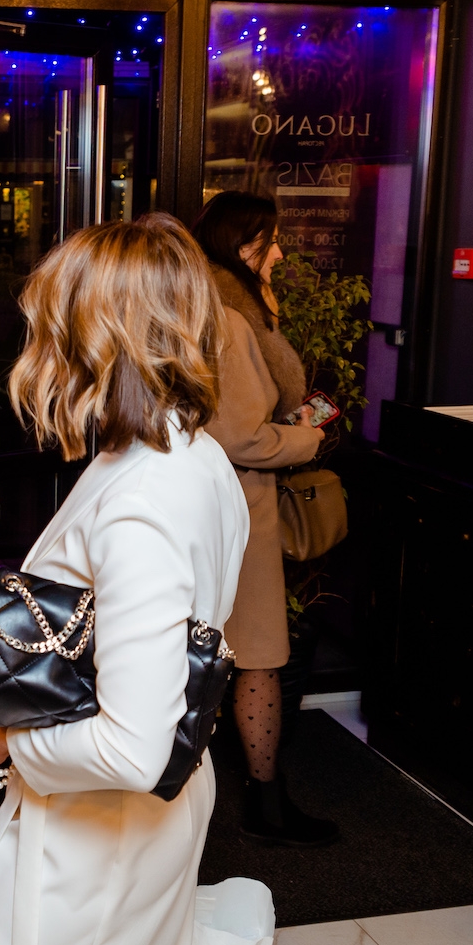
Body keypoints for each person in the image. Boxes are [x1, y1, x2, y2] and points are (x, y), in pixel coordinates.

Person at [0, 215, 248, 945]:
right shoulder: (190, 453)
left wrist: (2, 744)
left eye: (54, 322)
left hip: (97, 846)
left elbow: (133, 747)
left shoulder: (143, 499)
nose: (37, 345)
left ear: (101, 335)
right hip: (138, 822)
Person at [193, 190, 336, 847]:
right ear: (243, 244)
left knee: (226, 658)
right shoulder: (229, 318)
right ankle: (265, 804)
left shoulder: (214, 305)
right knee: (259, 659)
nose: (279, 253)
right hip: (238, 510)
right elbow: (240, 436)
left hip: (223, 507)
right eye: (271, 240)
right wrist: (309, 438)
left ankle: (240, 799)